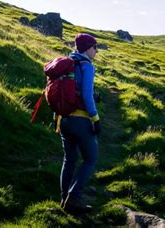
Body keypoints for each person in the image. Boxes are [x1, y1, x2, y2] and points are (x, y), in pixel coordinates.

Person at [60, 33, 101, 212]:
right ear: (86, 48)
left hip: (64, 119)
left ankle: (64, 198)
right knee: (91, 159)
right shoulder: (86, 66)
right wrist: (95, 118)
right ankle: (74, 197)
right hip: (81, 119)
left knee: (69, 159)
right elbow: (85, 96)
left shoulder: (67, 63)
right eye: (94, 48)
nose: (96, 52)